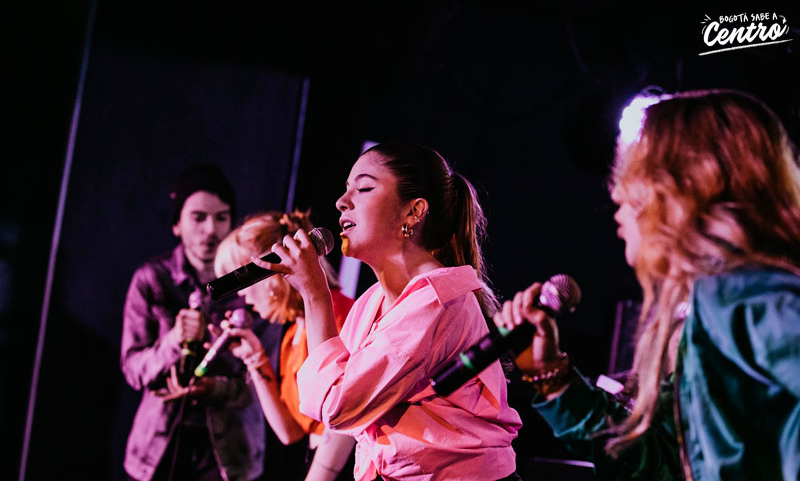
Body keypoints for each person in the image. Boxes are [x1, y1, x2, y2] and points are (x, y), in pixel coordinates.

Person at [494, 89, 800, 480]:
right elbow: (660, 463)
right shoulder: (709, 308)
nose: (615, 192)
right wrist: (552, 375)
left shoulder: (749, 299)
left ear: (689, 186)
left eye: (635, 175)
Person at [251, 142, 523, 480]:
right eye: (345, 189)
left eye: (364, 188)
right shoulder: (372, 301)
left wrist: (315, 293)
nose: (341, 202)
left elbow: (339, 404)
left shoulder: (436, 301)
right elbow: (333, 410)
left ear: (414, 212)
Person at [120, 163, 267, 481]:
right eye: (198, 217)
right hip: (158, 447)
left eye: (221, 217)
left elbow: (269, 379)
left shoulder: (252, 283)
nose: (210, 230)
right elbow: (133, 368)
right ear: (177, 224)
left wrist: (217, 388)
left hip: (230, 451)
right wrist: (173, 340)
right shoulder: (151, 280)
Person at [211, 210, 357, 481]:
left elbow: (345, 420)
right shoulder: (292, 336)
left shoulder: (341, 314)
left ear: (271, 273)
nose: (242, 294)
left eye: (244, 281)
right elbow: (290, 432)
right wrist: (255, 359)